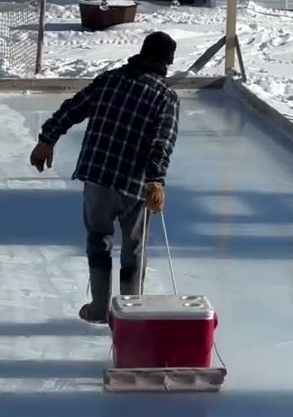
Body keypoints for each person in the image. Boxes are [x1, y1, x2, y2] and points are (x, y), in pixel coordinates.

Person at [29, 31, 181, 323]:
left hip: (97, 177)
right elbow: (163, 141)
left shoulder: (110, 80)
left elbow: (73, 108)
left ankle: (99, 308)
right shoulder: (165, 97)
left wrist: (47, 139)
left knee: (98, 239)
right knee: (134, 248)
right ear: (166, 62)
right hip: (135, 186)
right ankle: (129, 315)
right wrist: (156, 180)